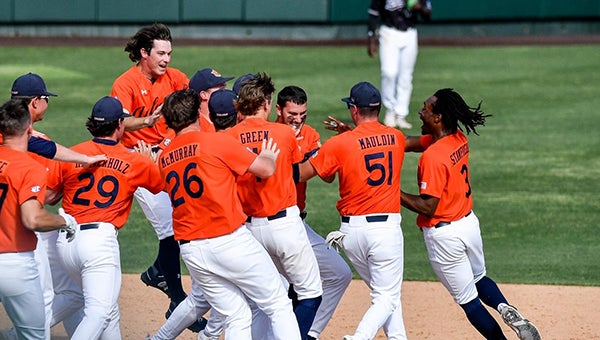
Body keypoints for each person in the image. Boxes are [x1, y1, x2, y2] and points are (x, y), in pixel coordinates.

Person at [158, 88, 301, 340]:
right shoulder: (216, 142)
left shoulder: (165, 157)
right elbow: (265, 169)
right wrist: (267, 155)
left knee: (236, 315)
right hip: (228, 241)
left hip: (192, 251)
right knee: (278, 302)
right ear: (197, 116)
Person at [399, 88, 541, 340]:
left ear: (437, 118)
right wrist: (363, 137)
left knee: (469, 302)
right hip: (469, 225)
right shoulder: (457, 138)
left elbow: (427, 206)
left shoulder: (432, 158)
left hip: (445, 237)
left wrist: (390, 192)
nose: (420, 112)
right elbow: (406, 143)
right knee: (480, 277)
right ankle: (505, 307)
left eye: (425, 109)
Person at [298, 81, 429, 340]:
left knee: (388, 296)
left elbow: (302, 174)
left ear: (354, 110)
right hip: (384, 233)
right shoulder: (395, 137)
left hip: (350, 235)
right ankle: (359, 337)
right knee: (387, 296)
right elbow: (424, 142)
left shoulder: (341, 143)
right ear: (378, 109)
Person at [47, 96, 165, 340]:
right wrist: (150, 162)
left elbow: (49, 196)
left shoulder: (72, 154)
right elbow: (160, 185)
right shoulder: (133, 161)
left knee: (108, 309)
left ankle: (18, 331)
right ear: (120, 125)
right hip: (98, 244)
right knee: (99, 312)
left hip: (66, 243)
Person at [110, 22, 197, 326]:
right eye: (160, 53)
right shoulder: (126, 83)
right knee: (170, 229)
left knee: (185, 219)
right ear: (144, 53)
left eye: (169, 53)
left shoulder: (177, 78)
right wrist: (149, 120)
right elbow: (119, 123)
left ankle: (159, 272)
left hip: (173, 156)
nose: (166, 59)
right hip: (141, 161)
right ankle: (176, 297)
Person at [224, 72, 323, 340]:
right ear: (268, 104)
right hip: (285, 226)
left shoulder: (229, 137)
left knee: (258, 304)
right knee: (311, 293)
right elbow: (295, 171)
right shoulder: (284, 133)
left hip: (247, 231)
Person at [8, 72, 106, 339]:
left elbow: (49, 149)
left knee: (66, 292)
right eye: (46, 99)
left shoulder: (14, 132)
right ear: (36, 101)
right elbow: (49, 196)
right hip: (21, 231)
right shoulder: (23, 139)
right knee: (44, 295)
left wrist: (83, 158)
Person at [149, 88, 240, 340]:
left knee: (203, 298)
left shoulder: (172, 152)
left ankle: (162, 339)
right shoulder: (214, 142)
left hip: (193, 237)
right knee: (239, 300)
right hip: (220, 232)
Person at [275, 85, 352, 340]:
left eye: (302, 114)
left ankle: (307, 334)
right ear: (278, 110)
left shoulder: (308, 135)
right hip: (264, 224)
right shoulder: (269, 133)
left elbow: (327, 176)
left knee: (339, 274)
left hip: (297, 223)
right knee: (276, 292)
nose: (298, 120)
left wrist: (343, 143)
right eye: (292, 114)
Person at [0, 98, 77, 340]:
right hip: (13, 262)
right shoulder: (28, 167)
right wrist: (64, 221)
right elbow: (33, 219)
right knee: (34, 336)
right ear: (29, 129)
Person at [367, 0, 432, 129]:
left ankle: (401, 114)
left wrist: (419, 7)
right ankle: (390, 110)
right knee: (389, 72)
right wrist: (371, 39)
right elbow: (373, 12)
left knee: (406, 76)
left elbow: (427, 15)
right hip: (389, 32)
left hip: (410, 33)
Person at [188, 68, 234, 132]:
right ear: (203, 95)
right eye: (221, 89)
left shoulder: (230, 117)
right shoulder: (195, 126)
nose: (225, 93)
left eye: (225, 87)